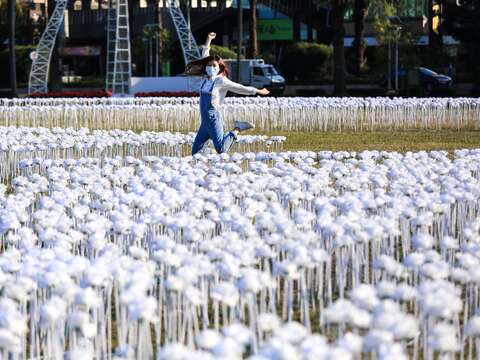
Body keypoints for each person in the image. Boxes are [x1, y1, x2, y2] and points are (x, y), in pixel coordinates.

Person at [185, 32, 270, 155]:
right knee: (195, 153)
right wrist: (208, 40)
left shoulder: (221, 81)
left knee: (221, 149)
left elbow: (239, 88)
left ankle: (237, 128)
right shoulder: (205, 79)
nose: (210, 67)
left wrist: (257, 91)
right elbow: (205, 56)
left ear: (219, 67)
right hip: (204, 123)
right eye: (209, 65)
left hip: (214, 120)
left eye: (213, 65)